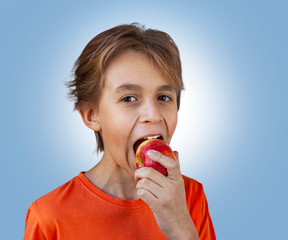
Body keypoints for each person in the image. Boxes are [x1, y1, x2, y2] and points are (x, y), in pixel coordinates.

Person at [24, 23, 216, 240]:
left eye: (163, 97)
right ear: (91, 115)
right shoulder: (49, 216)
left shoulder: (189, 196)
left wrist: (182, 231)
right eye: (129, 98)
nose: (153, 114)